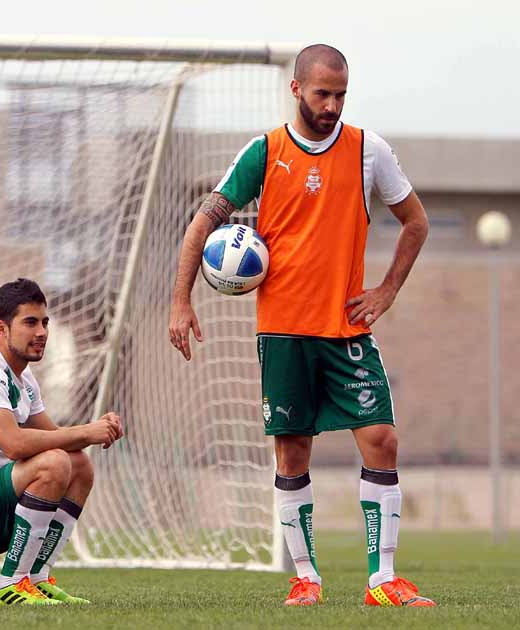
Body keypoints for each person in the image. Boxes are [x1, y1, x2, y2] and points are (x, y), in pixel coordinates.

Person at [168, 45, 435, 608]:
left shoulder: (368, 149)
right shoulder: (264, 152)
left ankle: (383, 580)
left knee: (382, 439)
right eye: (322, 94)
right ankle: (306, 578)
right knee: (292, 455)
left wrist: (387, 290)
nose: (332, 105)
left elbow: (416, 222)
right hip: (284, 333)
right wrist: (180, 301)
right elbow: (203, 222)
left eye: (341, 95)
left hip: (347, 330)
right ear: (296, 90)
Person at [0, 278, 124, 606]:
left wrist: (101, 427)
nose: (42, 332)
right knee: (54, 462)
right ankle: (10, 585)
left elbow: (57, 439)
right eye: (30, 322)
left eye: (45, 322)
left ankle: (36, 578)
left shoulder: (24, 381)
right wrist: (87, 431)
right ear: (1, 328)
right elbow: (14, 444)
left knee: (78, 464)